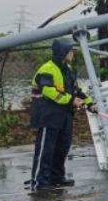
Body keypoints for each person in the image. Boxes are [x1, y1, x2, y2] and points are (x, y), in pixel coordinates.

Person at [29, 39, 92, 191]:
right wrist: (71, 100)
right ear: (63, 53)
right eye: (71, 51)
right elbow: (48, 91)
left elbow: (76, 90)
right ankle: (39, 182)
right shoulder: (47, 69)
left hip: (64, 115)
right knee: (46, 149)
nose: (73, 53)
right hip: (48, 115)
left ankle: (56, 178)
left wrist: (89, 102)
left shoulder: (68, 69)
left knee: (62, 147)